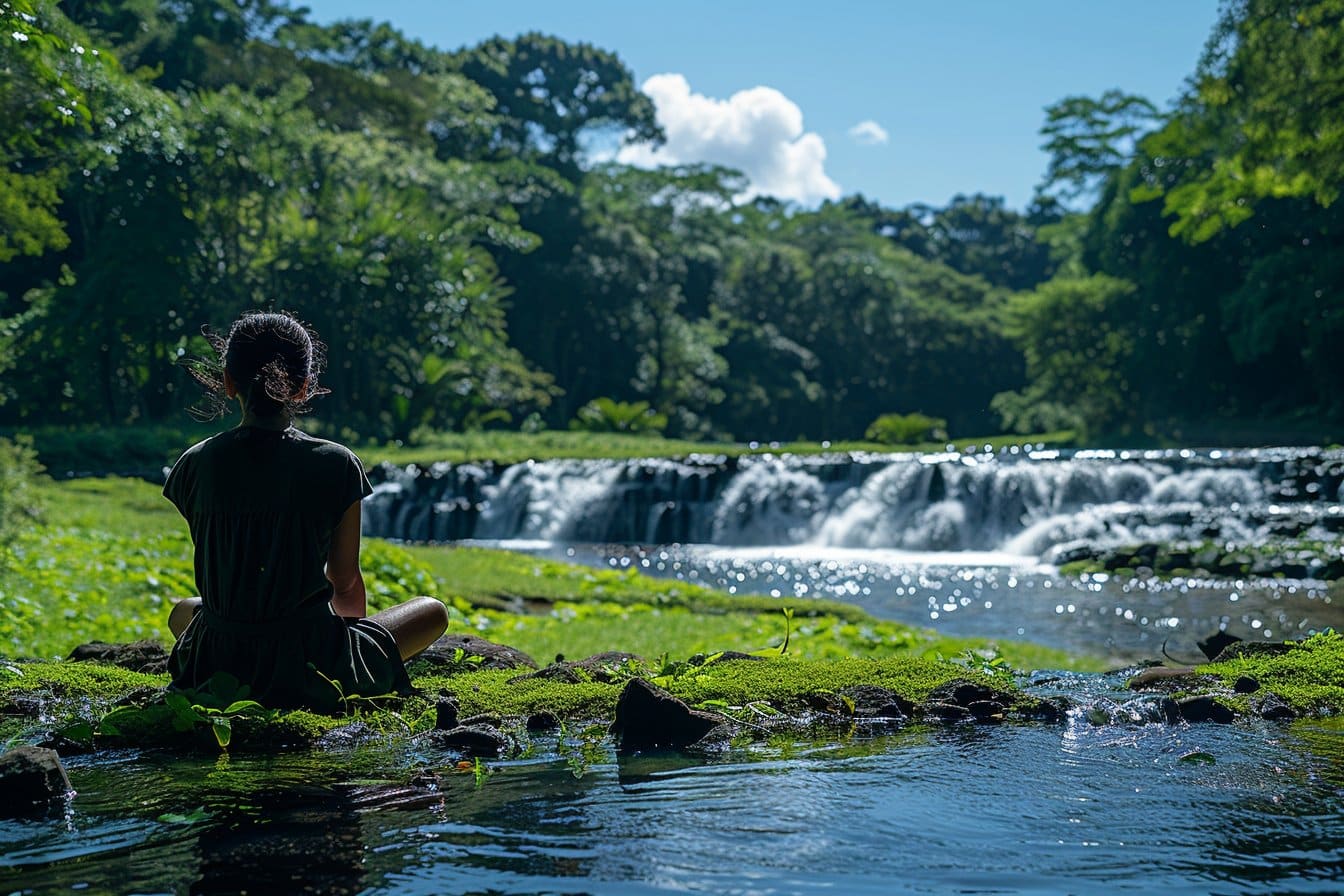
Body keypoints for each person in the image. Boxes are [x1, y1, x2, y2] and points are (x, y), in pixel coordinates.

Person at [163, 311, 448, 712]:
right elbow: (345, 582)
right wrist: (349, 655)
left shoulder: (194, 463)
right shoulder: (336, 463)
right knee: (432, 612)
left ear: (228, 383)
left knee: (185, 610)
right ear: (302, 387)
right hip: (308, 660)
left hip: (219, 657)